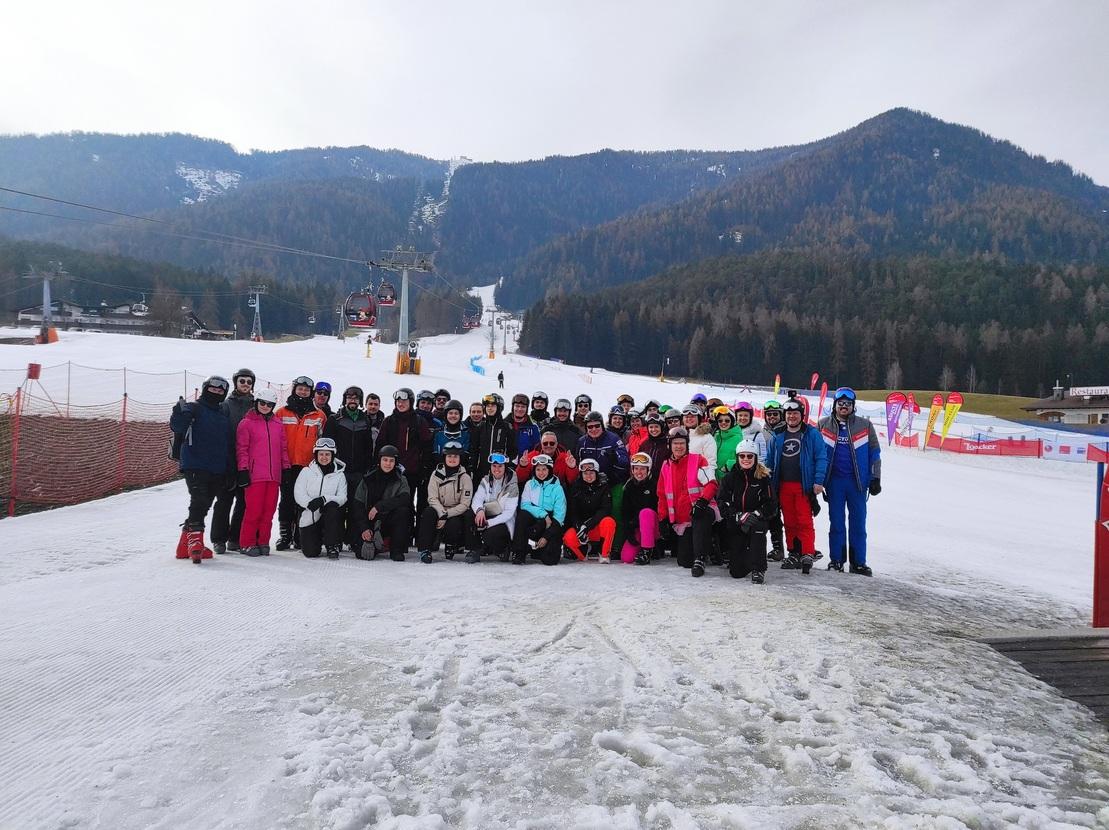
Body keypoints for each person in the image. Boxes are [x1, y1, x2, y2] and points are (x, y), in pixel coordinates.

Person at [817, 387, 881, 576]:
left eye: (848, 404)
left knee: (858, 524)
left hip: (857, 483)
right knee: (836, 523)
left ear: (853, 406)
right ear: (835, 405)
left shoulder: (865, 425)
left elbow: (875, 454)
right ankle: (836, 560)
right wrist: (817, 479)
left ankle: (858, 562)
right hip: (834, 482)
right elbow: (815, 453)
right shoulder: (823, 425)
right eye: (840, 404)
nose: (844, 407)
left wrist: (875, 478)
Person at [169, 376, 230, 563]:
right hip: (195, 463)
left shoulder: (222, 413)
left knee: (205, 503)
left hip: (217, 466)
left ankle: (183, 545)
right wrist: (178, 414)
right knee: (199, 499)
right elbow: (178, 426)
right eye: (213, 389)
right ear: (205, 389)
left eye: (221, 391)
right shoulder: (194, 408)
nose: (216, 392)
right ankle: (195, 541)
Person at [766, 398, 828, 575]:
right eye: (789, 414)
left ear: (802, 415)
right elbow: (770, 460)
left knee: (804, 519)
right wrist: (769, 482)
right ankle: (793, 551)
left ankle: (807, 551)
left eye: (795, 413)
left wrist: (818, 481)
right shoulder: (778, 435)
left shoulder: (811, 434)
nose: (792, 417)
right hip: (783, 485)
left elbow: (821, 457)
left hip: (803, 485)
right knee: (790, 520)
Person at [236, 386, 289, 557]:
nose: (265, 406)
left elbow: (283, 449)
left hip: (274, 476)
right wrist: (243, 470)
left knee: (268, 511)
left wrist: (285, 468)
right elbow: (242, 449)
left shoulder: (277, 424)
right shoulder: (246, 423)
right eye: (263, 403)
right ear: (257, 402)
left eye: (269, 404)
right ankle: (247, 542)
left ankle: (263, 541)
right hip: (255, 475)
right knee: (253, 511)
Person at [274, 376, 327, 550]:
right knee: (287, 500)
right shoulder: (282, 413)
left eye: (306, 389)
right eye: (300, 388)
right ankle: (285, 535)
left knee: (303, 501)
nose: (303, 392)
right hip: (287, 465)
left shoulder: (318, 415)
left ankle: (299, 535)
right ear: (294, 389)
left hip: (307, 467)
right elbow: (276, 439)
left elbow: (321, 441)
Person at [657, 426, 718, 577]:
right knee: (684, 560)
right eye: (675, 443)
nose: (678, 446)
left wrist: (702, 501)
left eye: (682, 443)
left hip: (702, 510)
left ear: (687, 444)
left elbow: (711, 483)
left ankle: (700, 559)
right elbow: (662, 495)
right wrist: (662, 518)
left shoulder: (698, 460)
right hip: (684, 521)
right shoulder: (666, 466)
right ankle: (707, 547)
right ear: (670, 445)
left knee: (700, 517)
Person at [717, 439, 776, 583]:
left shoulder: (763, 478)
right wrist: (737, 516)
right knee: (736, 572)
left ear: (755, 458)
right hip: (737, 522)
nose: (746, 459)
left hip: (756, 520)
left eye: (750, 456)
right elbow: (722, 502)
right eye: (742, 456)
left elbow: (771, 503)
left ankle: (759, 569)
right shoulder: (729, 478)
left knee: (758, 529)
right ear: (737, 457)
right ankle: (746, 557)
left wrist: (756, 514)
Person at [324, 386, 375, 548]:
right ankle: (336, 539)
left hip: (358, 471)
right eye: (349, 397)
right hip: (339, 470)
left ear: (360, 401)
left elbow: (368, 447)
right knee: (339, 505)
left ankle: (353, 539)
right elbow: (328, 445)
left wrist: (367, 467)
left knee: (356, 506)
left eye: (356, 398)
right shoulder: (335, 419)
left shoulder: (365, 420)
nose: (352, 400)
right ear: (345, 399)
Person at [211, 367, 255, 554]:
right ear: (236, 382)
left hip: (248, 461)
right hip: (228, 459)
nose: (245, 385)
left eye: (248, 382)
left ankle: (235, 537)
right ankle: (218, 538)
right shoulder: (226, 405)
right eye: (242, 381)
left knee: (244, 501)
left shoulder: (257, 405)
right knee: (224, 500)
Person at [416, 440, 474, 563]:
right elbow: (432, 498)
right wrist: (441, 513)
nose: (452, 459)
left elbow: (465, 504)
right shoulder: (436, 475)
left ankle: (452, 544)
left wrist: (447, 515)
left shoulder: (465, 478)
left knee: (454, 524)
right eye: (449, 456)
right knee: (428, 513)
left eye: (455, 456)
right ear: (444, 457)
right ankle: (425, 549)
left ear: (460, 458)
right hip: (439, 509)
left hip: (455, 511)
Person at [353, 445, 413, 561]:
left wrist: (379, 506)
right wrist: (364, 528)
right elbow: (358, 505)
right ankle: (376, 544)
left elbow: (404, 499)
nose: (388, 463)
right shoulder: (368, 478)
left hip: (389, 521)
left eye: (391, 461)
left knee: (403, 511)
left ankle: (396, 550)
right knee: (363, 554)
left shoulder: (401, 479)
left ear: (395, 462)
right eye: (385, 460)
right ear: (379, 460)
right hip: (370, 522)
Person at [377, 387, 433, 509]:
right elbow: (380, 445)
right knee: (388, 501)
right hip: (390, 470)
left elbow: (427, 446)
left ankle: (409, 527)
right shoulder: (389, 421)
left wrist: (424, 468)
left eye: (404, 401)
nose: (400, 404)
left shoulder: (419, 421)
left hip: (411, 472)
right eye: (398, 401)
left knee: (407, 504)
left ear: (411, 403)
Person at [294, 437, 348, 559]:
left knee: (333, 510)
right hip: (311, 514)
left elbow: (342, 497)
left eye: (327, 454)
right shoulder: (306, 472)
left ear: (333, 455)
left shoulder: (339, 475)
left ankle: (332, 545)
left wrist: (324, 499)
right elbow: (298, 492)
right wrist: (309, 503)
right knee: (311, 553)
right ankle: (315, 539)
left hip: (329, 516)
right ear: (316, 455)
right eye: (321, 454)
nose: (324, 457)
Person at [512, 453, 567, 565]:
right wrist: (544, 515)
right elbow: (525, 505)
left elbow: (559, 517)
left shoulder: (557, 488)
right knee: (522, 515)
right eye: (538, 469)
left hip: (551, 523)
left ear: (549, 470)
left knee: (550, 560)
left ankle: (538, 549)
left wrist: (546, 537)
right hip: (535, 520)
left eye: (544, 469)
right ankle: (520, 552)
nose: (541, 473)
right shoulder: (529, 484)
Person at [561, 458, 616, 562]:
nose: (588, 476)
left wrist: (587, 525)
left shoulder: (604, 486)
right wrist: (579, 527)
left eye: (591, 473)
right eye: (585, 473)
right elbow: (573, 512)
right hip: (583, 529)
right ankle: (584, 550)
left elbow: (605, 509)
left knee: (609, 522)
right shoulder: (576, 487)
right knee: (568, 537)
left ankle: (604, 553)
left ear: (596, 473)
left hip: (597, 527)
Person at [468, 452, 519, 563]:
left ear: (505, 467)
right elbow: (477, 499)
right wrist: (479, 510)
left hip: (504, 520)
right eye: (494, 466)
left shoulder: (512, 484)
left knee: (489, 534)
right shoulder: (485, 480)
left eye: (500, 466)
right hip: (488, 514)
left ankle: (503, 548)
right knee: (470, 515)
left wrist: (488, 523)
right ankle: (475, 549)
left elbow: (509, 513)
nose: (497, 469)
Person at [758, 400, 786, 560]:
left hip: (784, 479)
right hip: (767, 480)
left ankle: (781, 548)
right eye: (769, 414)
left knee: (782, 516)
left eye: (775, 414)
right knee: (771, 514)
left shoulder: (786, 431)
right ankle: (774, 548)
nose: (772, 417)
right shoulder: (762, 433)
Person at [620, 452, 659, 564]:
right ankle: (644, 546)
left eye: (642, 469)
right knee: (627, 558)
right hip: (637, 527)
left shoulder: (654, 484)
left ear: (648, 470)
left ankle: (647, 550)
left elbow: (655, 507)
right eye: (636, 468)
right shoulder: (629, 486)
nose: (639, 472)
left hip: (652, 525)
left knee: (645, 513)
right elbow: (625, 511)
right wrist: (629, 530)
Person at [471, 393, 517, 482]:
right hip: (481, 475)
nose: (490, 408)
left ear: (499, 408)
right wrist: (472, 469)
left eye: (493, 406)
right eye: (487, 406)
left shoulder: (507, 427)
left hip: (500, 474)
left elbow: (513, 452)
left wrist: (507, 466)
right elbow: (474, 450)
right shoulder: (481, 426)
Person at [576, 410, 629, 485]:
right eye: (590, 427)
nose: (594, 429)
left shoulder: (613, 439)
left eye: (597, 426)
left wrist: (614, 467)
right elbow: (578, 464)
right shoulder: (582, 442)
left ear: (602, 426)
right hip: (589, 482)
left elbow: (624, 462)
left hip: (611, 482)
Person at [432, 399, 471, 469]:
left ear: (460, 416)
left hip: (460, 472)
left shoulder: (466, 434)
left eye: (456, 413)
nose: (453, 416)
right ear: (446, 415)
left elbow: (466, 456)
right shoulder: (438, 433)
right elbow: (435, 455)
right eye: (450, 413)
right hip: (441, 471)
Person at [681, 404, 718, 479]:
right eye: (687, 417)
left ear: (699, 418)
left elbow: (711, 463)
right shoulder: (679, 436)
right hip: (680, 478)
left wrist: (708, 482)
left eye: (692, 417)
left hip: (698, 480)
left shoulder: (706, 437)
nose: (689, 419)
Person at [712, 405, 744, 480]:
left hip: (729, 478)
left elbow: (743, 458)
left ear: (732, 422)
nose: (723, 423)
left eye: (727, 420)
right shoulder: (716, 436)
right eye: (720, 421)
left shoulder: (738, 438)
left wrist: (728, 466)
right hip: (714, 478)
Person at [508, 393, 541, 457]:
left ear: (526, 409)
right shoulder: (504, 425)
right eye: (517, 406)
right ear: (513, 407)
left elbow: (537, 450)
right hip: (505, 464)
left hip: (525, 464)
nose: (520, 409)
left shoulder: (533, 428)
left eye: (523, 407)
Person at [639, 413, 670, 481]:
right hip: (647, 480)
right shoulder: (644, 444)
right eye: (651, 427)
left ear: (661, 427)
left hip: (664, 479)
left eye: (656, 426)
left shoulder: (668, 443)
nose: (654, 429)